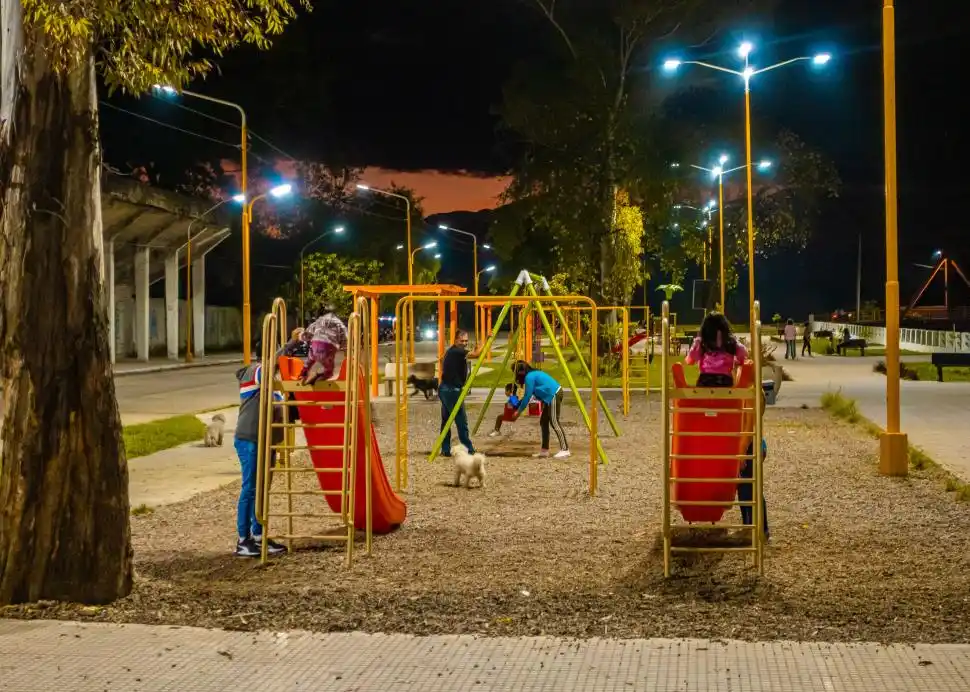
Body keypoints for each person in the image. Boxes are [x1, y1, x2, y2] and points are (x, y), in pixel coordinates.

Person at [233, 343, 287, 558]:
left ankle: (258, 533)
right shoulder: (254, 371)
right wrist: (289, 344)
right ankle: (243, 539)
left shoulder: (272, 385)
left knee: (262, 488)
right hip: (250, 438)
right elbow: (266, 368)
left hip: (266, 441)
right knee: (251, 488)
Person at [511, 360, 569, 459]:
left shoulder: (529, 377)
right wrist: (518, 405)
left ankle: (565, 449)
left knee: (554, 421)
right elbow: (532, 393)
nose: (514, 375)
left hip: (553, 394)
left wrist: (518, 412)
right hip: (549, 396)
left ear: (520, 372)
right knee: (544, 421)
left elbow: (527, 396)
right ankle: (544, 450)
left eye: (514, 372)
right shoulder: (532, 375)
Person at [439, 329, 483, 457]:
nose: (464, 343)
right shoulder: (457, 351)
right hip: (451, 390)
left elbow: (442, 359)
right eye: (462, 340)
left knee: (446, 421)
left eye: (466, 341)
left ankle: (445, 449)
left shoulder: (452, 351)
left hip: (446, 388)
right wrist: (486, 342)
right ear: (456, 340)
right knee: (461, 420)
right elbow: (476, 355)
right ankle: (469, 449)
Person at [685, 312, 748, 387]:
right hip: (725, 382)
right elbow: (743, 353)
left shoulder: (702, 342)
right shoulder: (731, 342)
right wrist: (738, 361)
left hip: (705, 382)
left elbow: (690, 361)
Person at [301, 305, 348, 384]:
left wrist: (303, 338)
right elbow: (345, 337)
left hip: (315, 345)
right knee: (329, 370)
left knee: (309, 361)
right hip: (328, 347)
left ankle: (304, 374)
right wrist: (345, 348)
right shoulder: (339, 323)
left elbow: (308, 332)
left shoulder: (319, 320)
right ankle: (320, 377)